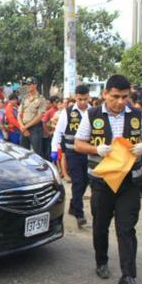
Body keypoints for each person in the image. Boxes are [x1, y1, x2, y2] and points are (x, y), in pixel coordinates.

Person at [74, 75, 142, 284]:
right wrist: (95, 149)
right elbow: (78, 144)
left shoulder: (137, 115)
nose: (120, 102)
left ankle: (128, 276)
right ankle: (101, 261)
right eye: (115, 97)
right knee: (101, 226)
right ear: (105, 94)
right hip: (102, 182)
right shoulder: (92, 115)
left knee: (126, 228)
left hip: (129, 181)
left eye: (124, 97)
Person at [51, 85, 90, 227]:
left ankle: (74, 205)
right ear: (76, 97)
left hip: (88, 152)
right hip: (72, 153)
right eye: (80, 99)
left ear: (89, 97)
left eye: (85, 99)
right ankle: (79, 214)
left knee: (85, 181)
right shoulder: (67, 113)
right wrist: (54, 149)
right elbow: (58, 132)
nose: (83, 102)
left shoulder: (93, 112)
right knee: (78, 181)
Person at [18, 77, 45, 157]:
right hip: (24, 127)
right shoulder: (24, 98)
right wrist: (22, 127)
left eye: (29, 85)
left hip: (35, 129)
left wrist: (25, 127)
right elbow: (19, 115)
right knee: (23, 153)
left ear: (35, 85)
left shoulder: (41, 99)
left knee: (37, 154)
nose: (27, 87)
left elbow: (39, 116)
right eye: (27, 85)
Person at [42, 96, 59, 161]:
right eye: (56, 102)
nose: (57, 103)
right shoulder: (50, 111)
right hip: (51, 135)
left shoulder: (60, 110)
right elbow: (43, 122)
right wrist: (48, 132)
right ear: (52, 103)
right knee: (50, 151)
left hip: (58, 134)